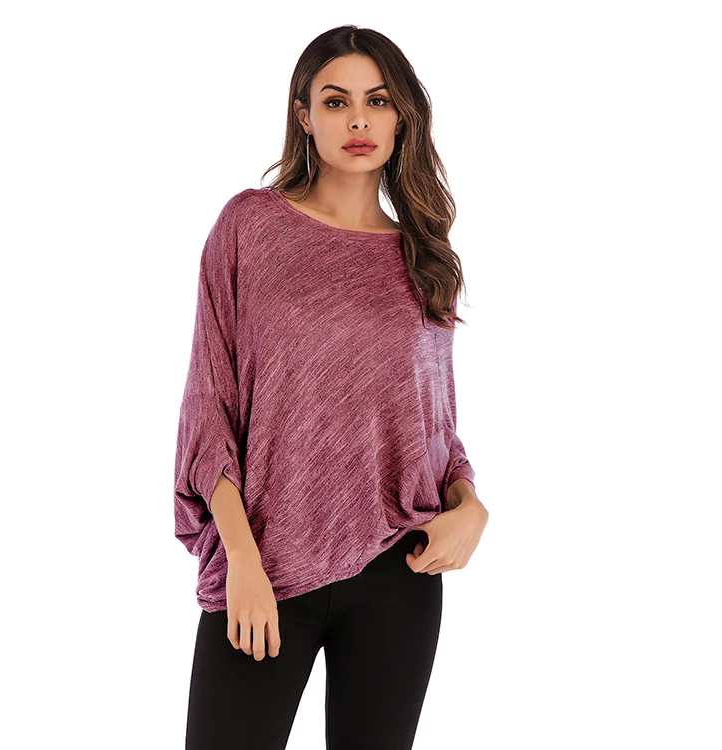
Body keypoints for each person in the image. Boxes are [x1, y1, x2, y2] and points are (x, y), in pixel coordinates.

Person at [174, 24, 490, 750]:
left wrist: (470, 506)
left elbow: (433, 426)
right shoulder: (251, 227)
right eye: (336, 100)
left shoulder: (424, 256)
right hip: (264, 565)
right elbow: (209, 406)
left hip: (399, 573)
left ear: (402, 115)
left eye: (378, 101)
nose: (358, 120)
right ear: (304, 115)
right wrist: (241, 559)